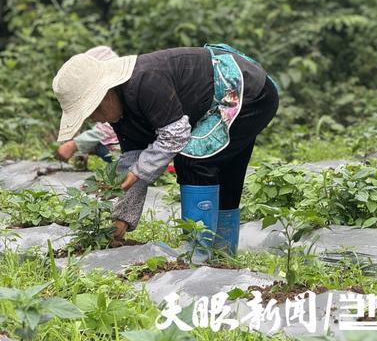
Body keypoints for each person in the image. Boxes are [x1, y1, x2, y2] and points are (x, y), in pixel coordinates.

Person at [52, 43, 279, 256]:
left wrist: (138, 172)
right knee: (225, 168)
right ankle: (222, 253)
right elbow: (133, 162)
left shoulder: (144, 82)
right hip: (235, 95)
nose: (94, 118)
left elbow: (176, 134)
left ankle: (196, 251)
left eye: (93, 110)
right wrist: (121, 219)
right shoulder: (122, 114)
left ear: (107, 93)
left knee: (195, 159)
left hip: (247, 91)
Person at [54, 46, 121, 164]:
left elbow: (107, 130)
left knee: (99, 143)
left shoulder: (115, 96)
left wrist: (73, 145)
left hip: (136, 151)